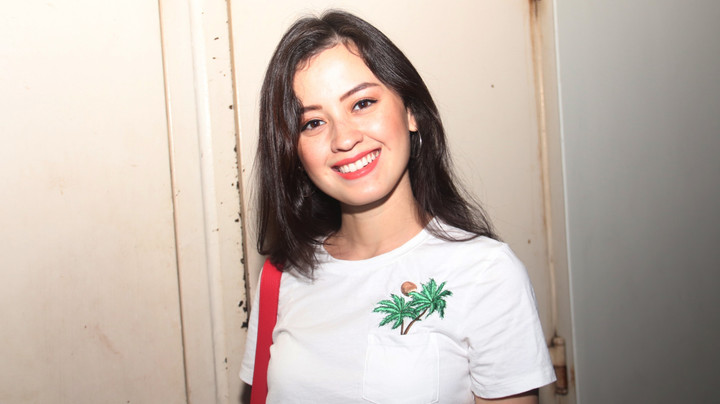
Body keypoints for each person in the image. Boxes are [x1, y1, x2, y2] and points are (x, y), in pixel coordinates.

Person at [240, 10, 556, 404]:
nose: (344, 139)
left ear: (411, 112)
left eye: (362, 103)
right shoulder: (281, 277)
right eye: (313, 123)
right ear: (294, 152)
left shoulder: (486, 274)